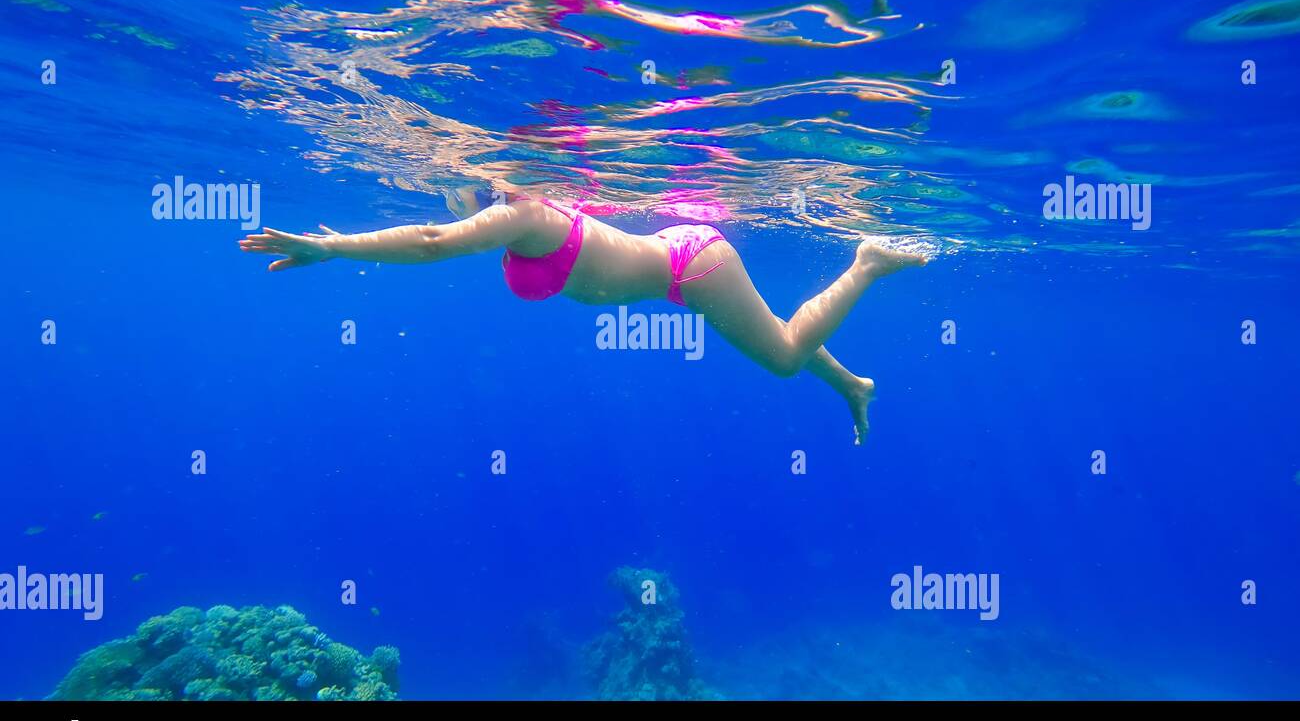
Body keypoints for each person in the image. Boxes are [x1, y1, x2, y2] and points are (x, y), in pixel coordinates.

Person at [238, 189, 927, 443]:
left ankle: (865, 261)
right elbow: (445, 223)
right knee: (771, 335)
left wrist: (327, 246)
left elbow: (432, 242)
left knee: (780, 356)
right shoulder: (507, 211)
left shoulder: (525, 213)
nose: (449, 195)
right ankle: (852, 385)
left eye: (458, 184)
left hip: (694, 264)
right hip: (677, 274)